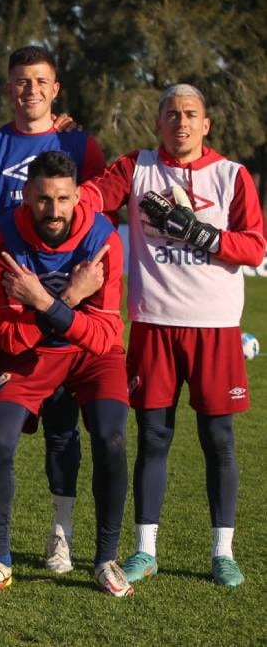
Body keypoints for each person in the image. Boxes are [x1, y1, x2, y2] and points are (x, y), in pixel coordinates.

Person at [78, 84, 265, 588]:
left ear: (206, 124)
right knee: (154, 438)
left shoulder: (232, 175)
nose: (180, 123)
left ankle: (222, 552)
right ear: (158, 123)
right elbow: (92, 197)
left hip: (216, 329)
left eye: (190, 114)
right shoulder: (138, 168)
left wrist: (201, 233)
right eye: (171, 114)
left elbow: (253, 245)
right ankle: (145, 549)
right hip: (155, 324)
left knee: (219, 440)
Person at [0, 45, 107, 573]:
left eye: (40, 82)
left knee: (64, 425)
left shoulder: (79, 146)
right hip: (6, 305)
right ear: (8, 88)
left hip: (67, 305)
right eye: (21, 81)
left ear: (55, 88)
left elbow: (99, 204)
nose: (31, 91)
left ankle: (59, 536)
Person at [0, 150, 130, 598]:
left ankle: (105, 559)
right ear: (26, 196)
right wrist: (70, 300)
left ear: (78, 196)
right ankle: (0, 561)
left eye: (63, 199)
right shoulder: (1, 237)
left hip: (89, 355)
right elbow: (7, 336)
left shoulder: (104, 239)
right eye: (43, 199)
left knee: (112, 438)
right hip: (28, 354)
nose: (54, 210)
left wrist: (42, 302)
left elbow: (102, 338)